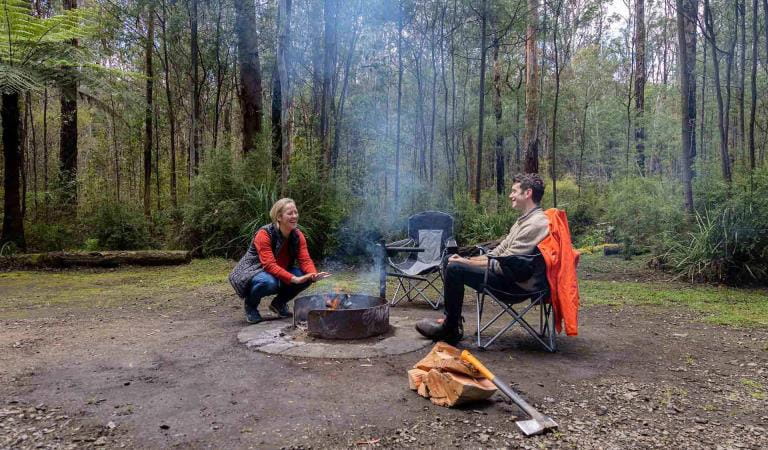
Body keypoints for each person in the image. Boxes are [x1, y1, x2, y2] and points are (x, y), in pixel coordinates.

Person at [416, 173, 550, 344]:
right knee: (450, 260)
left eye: (514, 191)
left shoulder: (536, 224)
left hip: (515, 285)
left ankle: (450, 329)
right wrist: (466, 259)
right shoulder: (524, 221)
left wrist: (465, 262)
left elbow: (505, 262)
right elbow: (498, 252)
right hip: (509, 274)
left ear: (528, 193)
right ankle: (452, 321)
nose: (511, 195)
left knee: (454, 268)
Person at [229, 198, 330, 324]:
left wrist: (313, 275)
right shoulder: (264, 234)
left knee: (306, 277)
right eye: (290, 213)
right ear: (279, 217)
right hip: (256, 271)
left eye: (296, 212)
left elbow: (305, 260)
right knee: (269, 283)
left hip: (280, 269)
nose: (294, 216)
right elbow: (269, 265)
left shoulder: (298, 235)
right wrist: (293, 278)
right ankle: (251, 306)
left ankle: (278, 304)